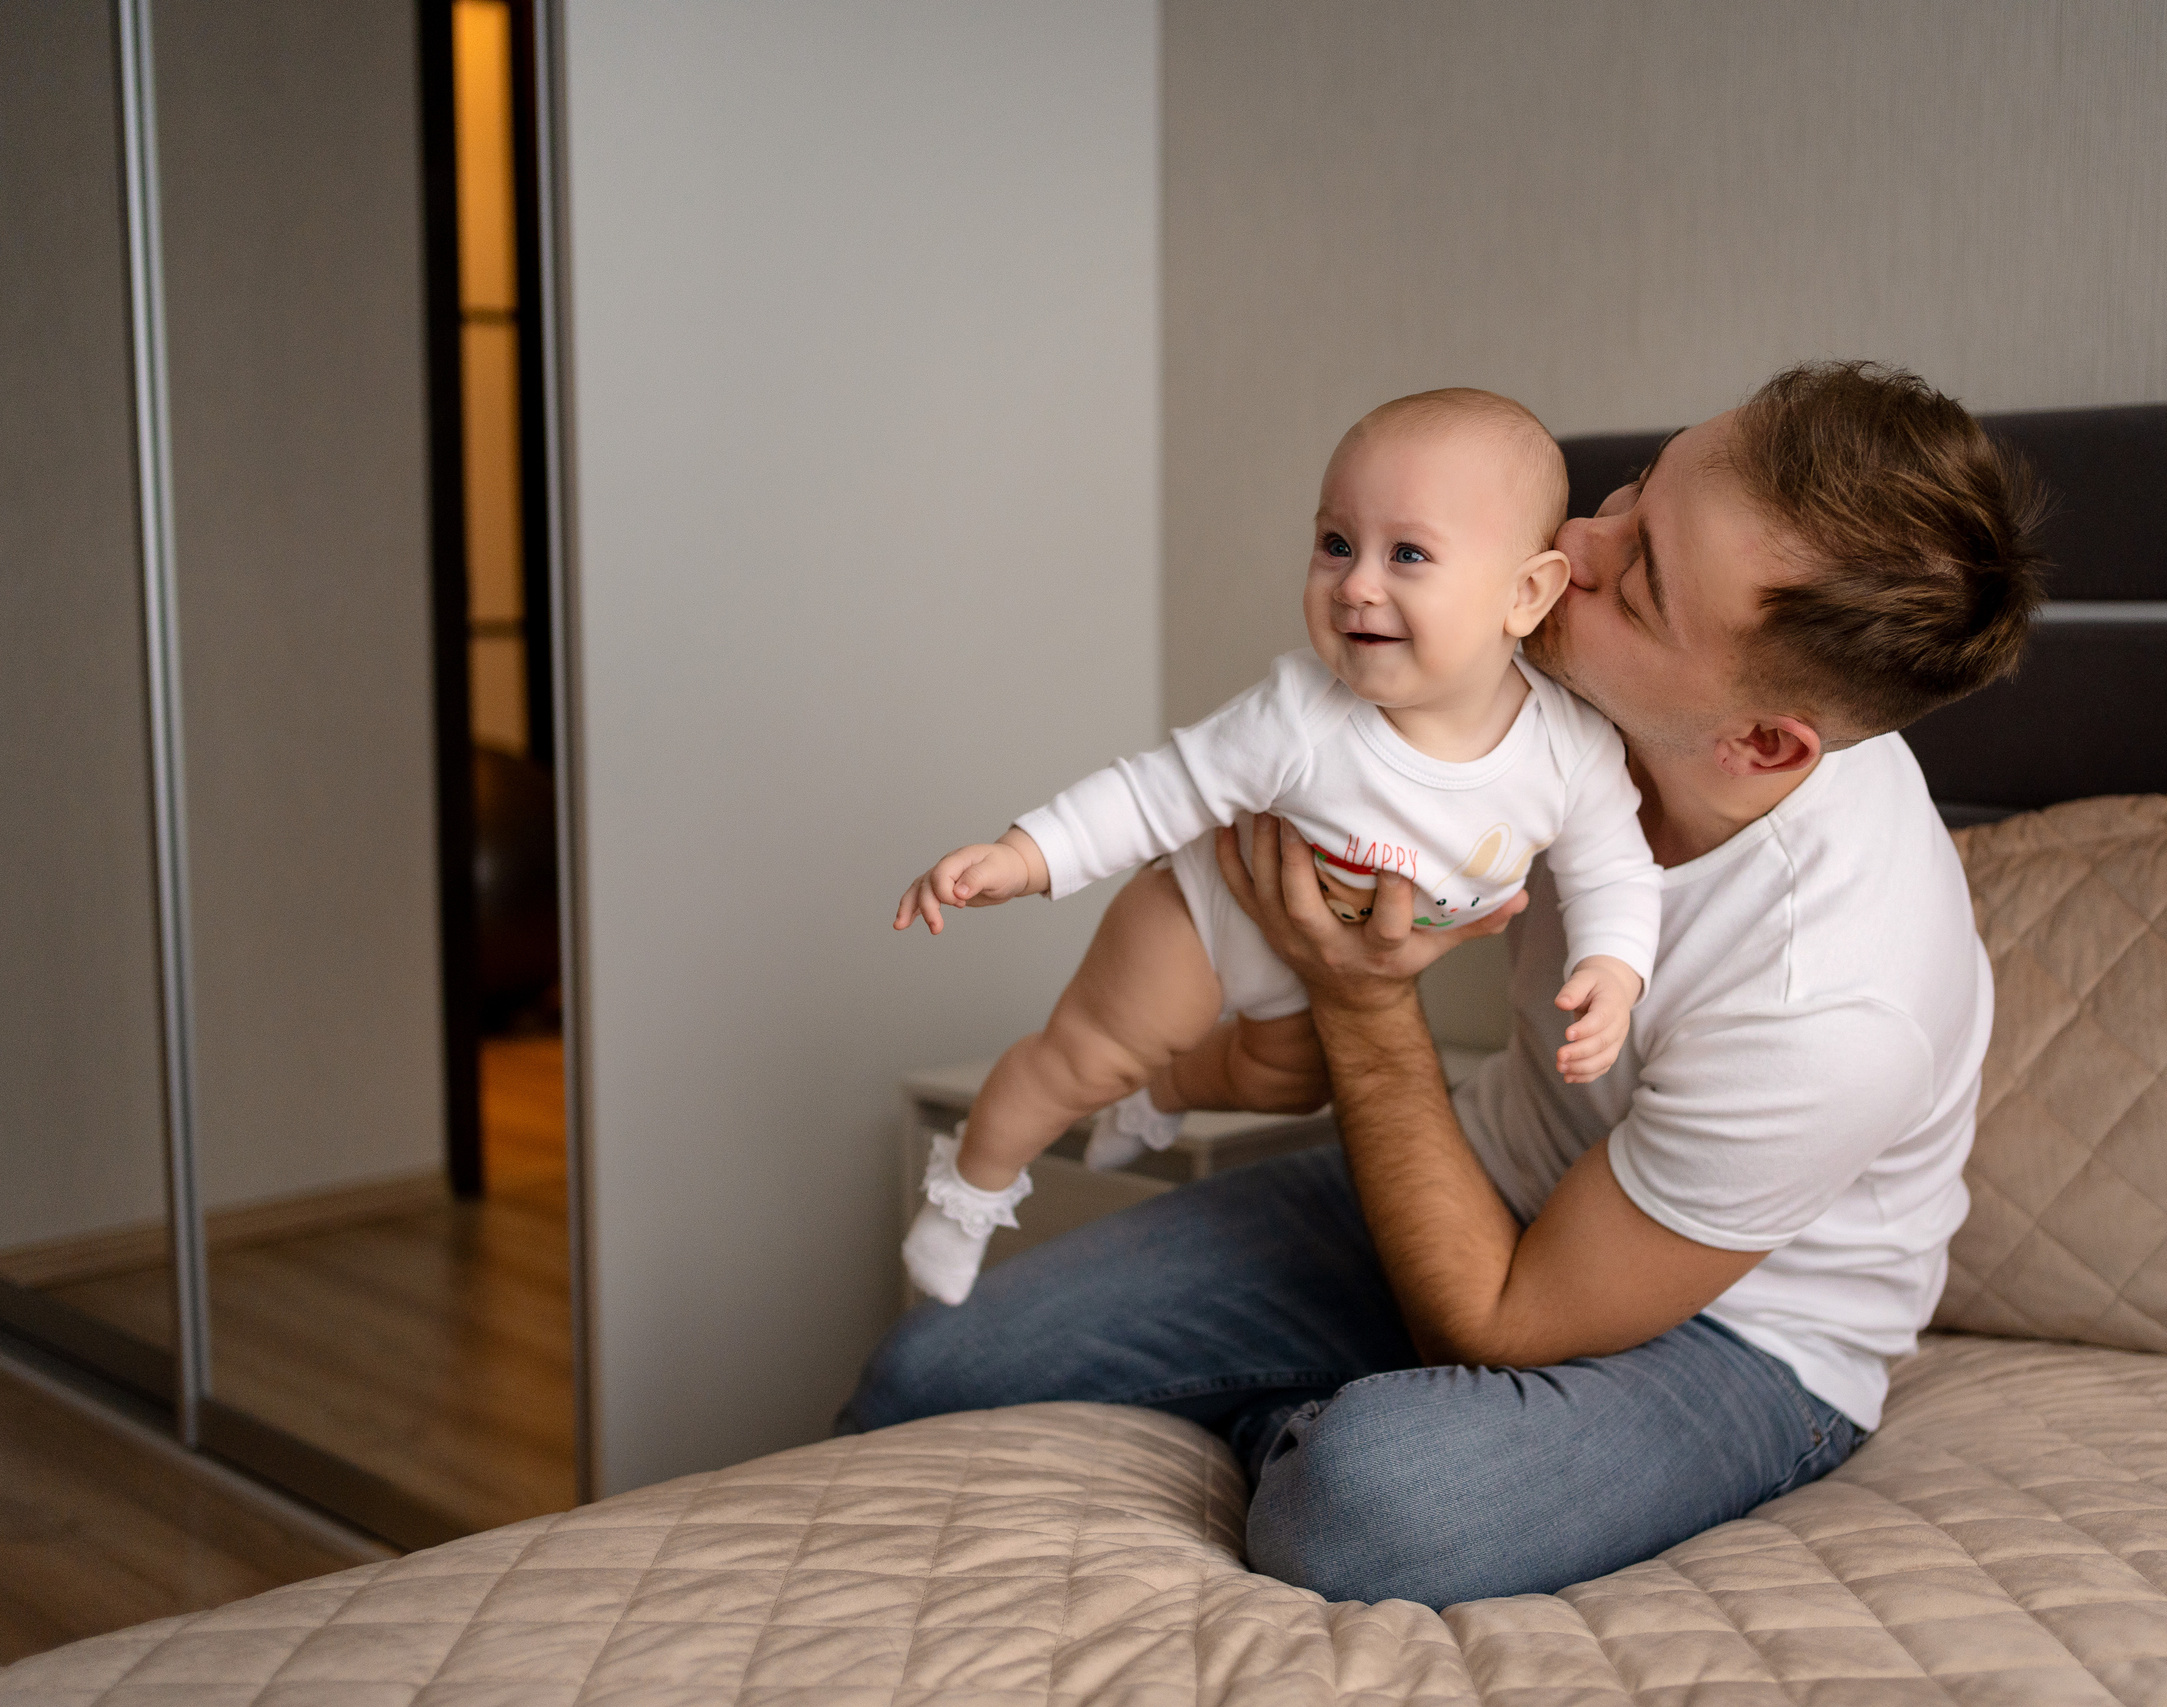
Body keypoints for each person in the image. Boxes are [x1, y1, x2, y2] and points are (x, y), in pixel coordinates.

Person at [843, 360, 2048, 1608]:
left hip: (1738, 1335)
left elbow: (1500, 1322)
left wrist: (1361, 1000)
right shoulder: (1561, 700)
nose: (1573, 545)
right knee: (925, 1375)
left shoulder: (1833, 1008)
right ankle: (1301, 1406)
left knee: (1370, 1508)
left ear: (1759, 742)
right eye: (1633, 492)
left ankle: (1309, 1425)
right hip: (1493, 1168)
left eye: (1636, 580)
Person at [888, 389, 1660, 1305]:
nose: (1356, 584)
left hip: (1322, 977)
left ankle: (1160, 1096)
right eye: (1336, 543)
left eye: (1407, 554)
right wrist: (1024, 856)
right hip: (1203, 924)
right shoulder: (1301, 715)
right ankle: (972, 1187)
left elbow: (1615, 868)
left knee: (1285, 1084)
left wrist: (1613, 971)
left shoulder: (1570, 749)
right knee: (1086, 1059)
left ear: (1526, 593)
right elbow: (1155, 791)